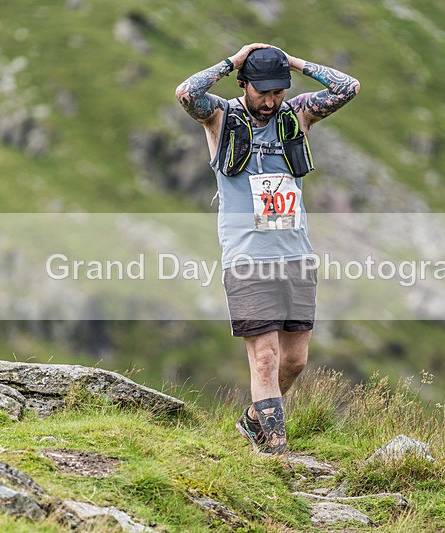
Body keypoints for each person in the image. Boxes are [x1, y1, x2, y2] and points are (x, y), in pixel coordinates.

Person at [176, 43, 360, 454]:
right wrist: (232, 61)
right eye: (263, 92)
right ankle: (276, 452)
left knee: (294, 362)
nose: (271, 100)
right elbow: (187, 93)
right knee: (264, 359)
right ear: (244, 85)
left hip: (295, 254)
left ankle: (252, 421)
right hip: (247, 258)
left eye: (278, 91)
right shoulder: (221, 117)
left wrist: (291, 61)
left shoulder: (297, 116)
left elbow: (348, 87)